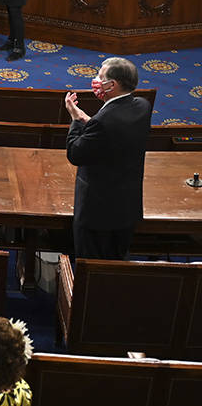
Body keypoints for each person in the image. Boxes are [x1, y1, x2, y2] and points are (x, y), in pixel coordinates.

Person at [63, 57, 151, 260]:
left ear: (112, 85)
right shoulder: (142, 106)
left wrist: (77, 120)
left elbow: (75, 153)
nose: (95, 79)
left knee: (92, 267)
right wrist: (90, 120)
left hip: (97, 214)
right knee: (117, 261)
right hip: (127, 208)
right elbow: (114, 133)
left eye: (99, 77)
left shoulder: (103, 122)